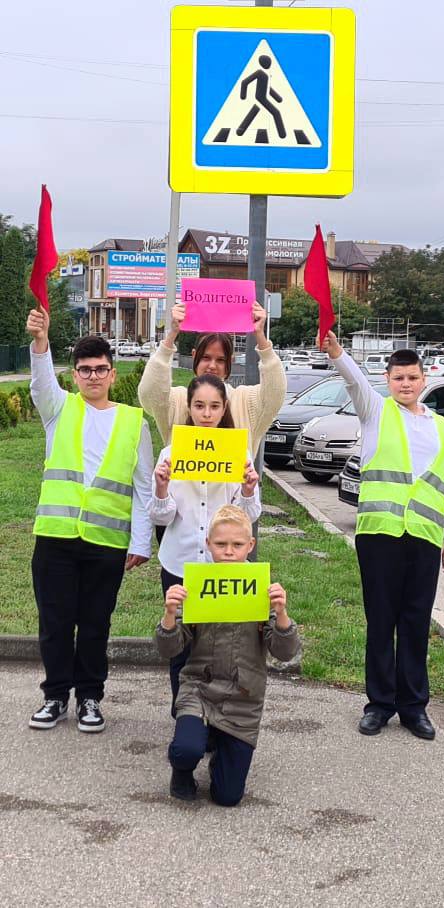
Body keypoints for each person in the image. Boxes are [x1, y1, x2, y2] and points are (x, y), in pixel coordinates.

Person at [321, 332, 444, 740]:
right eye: (398, 378)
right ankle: (379, 705)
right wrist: (337, 354)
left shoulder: (440, 426)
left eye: (412, 378)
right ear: (388, 379)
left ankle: (414, 708)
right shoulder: (376, 412)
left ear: (423, 380)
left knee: (416, 623)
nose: (405, 384)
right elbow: (354, 382)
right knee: (381, 622)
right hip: (380, 534)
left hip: (423, 536)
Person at [25, 307, 152, 733]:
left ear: (113, 374)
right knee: (56, 623)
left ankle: (91, 698)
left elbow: (143, 488)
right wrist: (41, 343)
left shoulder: (135, 422)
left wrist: (140, 542)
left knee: (96, 625)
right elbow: (41, 384)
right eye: (84, 370)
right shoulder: (59, 410)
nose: (93, 377)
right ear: (75, 375)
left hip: (106, 542)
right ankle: (56, 695)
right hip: (56, 538)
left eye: (100, 369)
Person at [156, 504, 300, 806]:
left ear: (251, 545)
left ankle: (223, 746)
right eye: (221, 544)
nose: (229, 551)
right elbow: (169, 648)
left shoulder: (262, 589)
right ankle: (182, 769)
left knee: (227, 797)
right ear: (208, 545)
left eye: (237, 545)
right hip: (199, 689)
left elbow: (285, 653)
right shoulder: (196, 585)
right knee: (186, 749)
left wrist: (282, 615)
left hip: (243, 697)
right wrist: (170, 615)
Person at [149, 374, 262, 714]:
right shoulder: (170, 453)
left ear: (224, 408)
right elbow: (160, 517)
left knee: (218, 647)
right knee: (180, 646)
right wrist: (162, 488)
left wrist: (247, 487)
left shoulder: (237, 453)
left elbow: (249, 514)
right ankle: (183, 715)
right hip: (179, 563)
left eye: (214, 406)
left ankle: (217, 718)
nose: (207, 413)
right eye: (199, 405)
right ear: (189, 407)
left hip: (223, 566)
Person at [138, 300, 286, 449]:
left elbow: (275, 394)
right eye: (206, 358)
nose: (212, 366)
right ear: (194, 356)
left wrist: (260, 336)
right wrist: (172, 335)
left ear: (230, 361)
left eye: (221, 360)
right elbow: (150, 395)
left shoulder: (246, 401)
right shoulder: (177, 400)